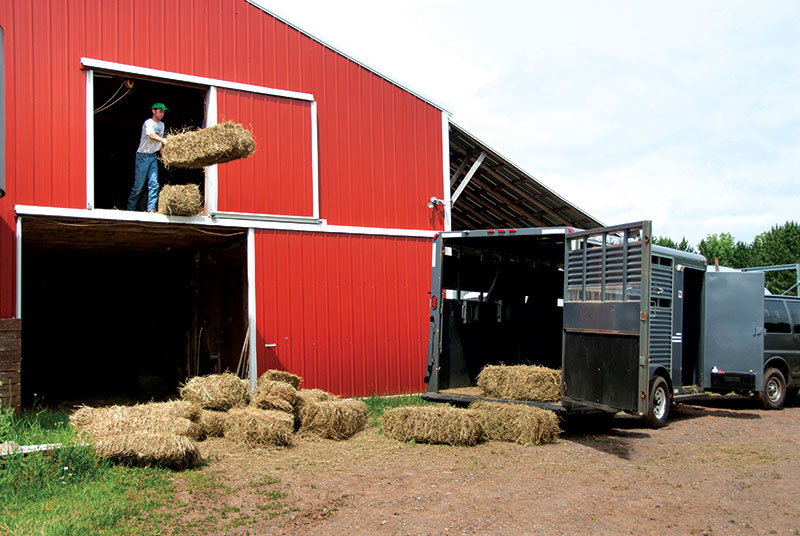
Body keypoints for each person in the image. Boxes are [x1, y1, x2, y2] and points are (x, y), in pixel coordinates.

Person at [127, 102, 169, 212]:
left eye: (163, 112)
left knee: (154, 184)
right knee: (139, 186)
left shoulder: (162, 125)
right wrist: (162, 140)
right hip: (143, 156)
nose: (162, 114)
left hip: (153, 156)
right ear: (153, 111)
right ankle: (131, 209)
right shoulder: (148, 123)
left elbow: (159, 141)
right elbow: (151, 135)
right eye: (160, 111)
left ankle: (151, 209)